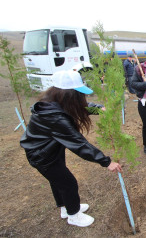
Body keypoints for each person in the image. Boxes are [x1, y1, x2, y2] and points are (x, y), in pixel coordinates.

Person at [20, 70, 122, 227]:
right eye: (79, 94)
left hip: (48, 150)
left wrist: (98, 108)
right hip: (42, 156)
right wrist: (106, 162)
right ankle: (73, 215)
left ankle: (65, 208)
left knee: (58, 180)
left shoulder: (54, 103)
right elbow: (79, 144)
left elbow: (79, 107)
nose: (83, 98)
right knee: (68, 183)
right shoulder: (54, 117)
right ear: (68, 94)